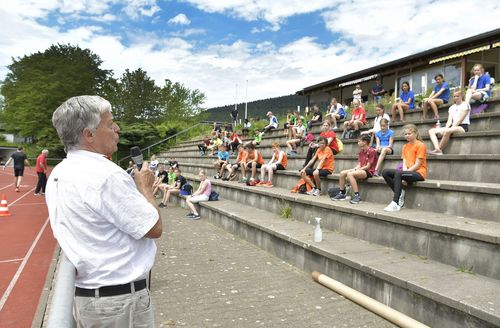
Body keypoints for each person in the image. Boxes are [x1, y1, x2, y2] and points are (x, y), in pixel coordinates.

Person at [46, 95, 161, 327]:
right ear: (88, 135)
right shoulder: (107, 174)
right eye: (110, 124)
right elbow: (153, 227)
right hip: (120, 302)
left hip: (90, 298)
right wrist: (146, 189)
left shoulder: (59, 172)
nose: (117, 129)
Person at [382, 124, 427, 212]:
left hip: (419, 173)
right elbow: (405, 163)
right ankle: (400, 192)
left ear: (415, 134)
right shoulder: (405, 146)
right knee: (385, 172)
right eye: (405, 134)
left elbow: (418, 165)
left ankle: (395, 203)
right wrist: (404, 174)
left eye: (409, 133)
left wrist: (403, 174)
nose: (407, 136)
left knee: (399, 173)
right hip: (409, 172)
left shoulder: (421, 145)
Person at [332, 134, 377, 204]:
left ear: (364, 142)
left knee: (350, 174)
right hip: (361, 170)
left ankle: (357, 196)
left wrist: (356, 170)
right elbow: (359, 164)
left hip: (368, 171)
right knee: (342, 173)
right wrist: (354, 169)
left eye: (359, 141)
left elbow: (368, 166)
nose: (358, 143)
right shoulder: (361, 152)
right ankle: (342, 193)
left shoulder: (372, 151)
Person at [428, 90, 470, 155]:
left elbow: (460, 119)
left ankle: (439, 149)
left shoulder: (465, 105)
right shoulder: (451, 107)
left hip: (462, 127)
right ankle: (437, 149)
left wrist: (447, 130)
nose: (456, 98)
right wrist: (446, 128)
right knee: (431, 131)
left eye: (457, 96)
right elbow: (449, 120)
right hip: (452, 126)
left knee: (447, 131)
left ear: (461, 96)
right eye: (454, 96)